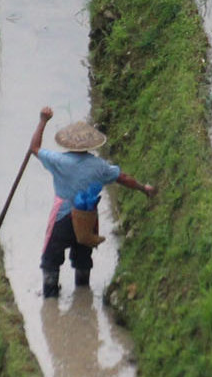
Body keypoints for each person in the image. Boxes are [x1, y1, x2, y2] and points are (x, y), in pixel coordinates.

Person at [30, 106, 157, 297]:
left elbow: (35, 148)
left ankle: (50, 295)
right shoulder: (99, 167)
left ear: (69, 145)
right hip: (87, 220)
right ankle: (83, 295)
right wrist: (143, 188)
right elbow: (122, 177)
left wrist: (42, 121)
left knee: (51, 260)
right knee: (83, 258)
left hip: (63, 218)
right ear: (90, 146)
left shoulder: (59, 161)